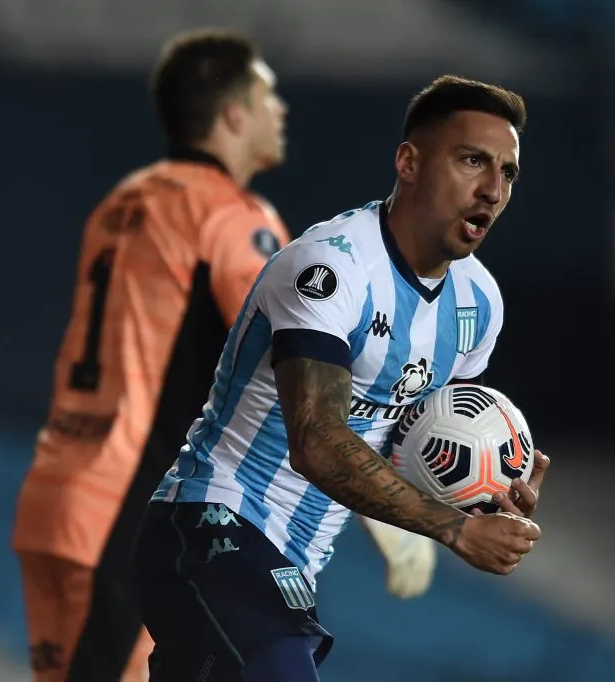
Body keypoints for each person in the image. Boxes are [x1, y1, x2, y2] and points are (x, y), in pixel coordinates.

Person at [130, 74, 551, 682]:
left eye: (507, 172)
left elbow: (417, 442)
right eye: (471, 161)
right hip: (210, 527)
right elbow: (317, 442)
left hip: (293, 565)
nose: (492, 189)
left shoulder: (478, 304)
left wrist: (486, 493)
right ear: (409, 162)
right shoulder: (332, 268)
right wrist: (458, 530)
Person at [11, 29, 290, 682]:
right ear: (233, 115)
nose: (282, 111)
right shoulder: (232, 217)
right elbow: (296, 360)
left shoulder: (121, 204)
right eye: (268, 96)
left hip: (59, 493)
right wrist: (383, 507)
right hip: (133, 513)